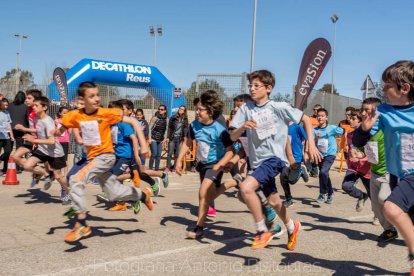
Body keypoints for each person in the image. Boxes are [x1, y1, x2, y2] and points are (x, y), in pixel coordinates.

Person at [230, 70, 321, 250]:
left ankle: (263, 230)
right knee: (274, 201)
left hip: (273, 159)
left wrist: (311, 143)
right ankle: (291, 226)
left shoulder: (278, 107)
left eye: (257, 86)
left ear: (268, 88)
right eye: (250, 86)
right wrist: (242, 127)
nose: (252, 89)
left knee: (245, 188)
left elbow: (306, 119)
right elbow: (232, 136)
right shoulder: (246, 108)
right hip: (255, 162)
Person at [55, 81, 153, 242]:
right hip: (93, 160)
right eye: (92, 96)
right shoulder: (75, 115)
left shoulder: (106, 112)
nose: (97, 99)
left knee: (75, 179)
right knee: (113, 193)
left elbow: (134, 122)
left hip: (106, 157)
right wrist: (56, 132)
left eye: (98, 95)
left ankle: (81, 224)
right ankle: (142, 195)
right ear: (82, 100)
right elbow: (63, 126)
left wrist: (143, 146)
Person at [352, 61, 414, 274]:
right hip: (398, 175)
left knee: (390, 208)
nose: (382, 90)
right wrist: (363, 130)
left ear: (404, 88)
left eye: (387, 86)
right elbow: (359, 142)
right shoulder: (383, 112)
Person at [175, 90, 234, 239]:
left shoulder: (220, 130)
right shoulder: (194, 126)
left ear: (210, 112)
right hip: (203, 164)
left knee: (202, 193)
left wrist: (220, 164)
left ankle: (199, 228)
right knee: (208, 195)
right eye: (196, 109)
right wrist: (178, 161)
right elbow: (187, 143)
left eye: (200, 109)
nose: (197, 112)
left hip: (215, 165)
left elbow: (230, 151)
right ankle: (232, 183)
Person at [20, 96, 71, 204]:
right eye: (33, 105)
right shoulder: (36, 118)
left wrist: (34, 140)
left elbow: (52, 141)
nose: (33, 107)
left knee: (59, 177)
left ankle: (69, 192)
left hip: (55, 153)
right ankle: (46, 174)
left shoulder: (48, 121)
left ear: (44, 107)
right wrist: (26, 131)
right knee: (27, 166)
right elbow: (38, 130)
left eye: (36, 105)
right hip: (43, 150)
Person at [360, 97, 397, 241]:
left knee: (384, 198)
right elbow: (362, 147)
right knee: (375, 206)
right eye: (362, 110)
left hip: (389, 172)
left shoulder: (385, 127)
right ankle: (389, 230)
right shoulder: (363, 129)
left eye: (367, 110)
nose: (363, 113)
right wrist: (358, 153)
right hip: (374, 172)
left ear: (376, 112)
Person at [341, 109, 371, 211]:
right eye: (350, 118)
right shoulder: (350, 135)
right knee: (346, 186)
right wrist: (350, 161)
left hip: (367, 169)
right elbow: (351, 150)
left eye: (353, 119)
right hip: (354, 167)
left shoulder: (369, 136)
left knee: (373, 195)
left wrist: (361, 158)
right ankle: (361, 196)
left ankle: (377, 215)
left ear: (360, 121)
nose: (350, 120)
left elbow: (371, 153)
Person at [314, 108, 345, 204]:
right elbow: (311, 142)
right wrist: (316, 137)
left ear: (326, 118)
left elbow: (343, 131)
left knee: (323, 172)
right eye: (318, 116)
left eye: (322, 116)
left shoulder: (332, 128)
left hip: (330, 154)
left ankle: (322, 193)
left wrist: (345, 143)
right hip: (319, 155)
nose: (320, 117)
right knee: (325, 174)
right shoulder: (314, 130)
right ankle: (330, 193)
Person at [13, 89, 43, 181]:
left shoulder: (38, 113)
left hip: (41, 141)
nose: (26, 100)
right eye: (26, 98)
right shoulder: (28, 109)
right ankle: (39, 172)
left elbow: (39, 130)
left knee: (54, 171)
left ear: (36, 100)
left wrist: (24, 129)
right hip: (31, 139)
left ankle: (46, 173)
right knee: (16, 156)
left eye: (29, 98)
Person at [281, 123, 310, 208]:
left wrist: (306, 152)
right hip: (284, 157)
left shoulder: (297, 127)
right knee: (283, 177)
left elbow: (307, 139)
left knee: (292, 181)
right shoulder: (281, 126)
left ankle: (301, 170)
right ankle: (289, 199)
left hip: (296, 157)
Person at [8, 91, 28, 173]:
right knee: (19, 149)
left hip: (10, 129)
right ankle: (17, 167)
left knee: (8, 149)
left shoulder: (9, 106)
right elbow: (26, 119)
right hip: (21, 129)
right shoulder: (25, 107)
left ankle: (6, 166)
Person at [165, 105, 188, 172]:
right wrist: (168, 137)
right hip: (172, 137)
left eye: (182, 109)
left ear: (184, 111)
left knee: (177, 154)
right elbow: (169, 127)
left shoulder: (185, 119)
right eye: (180, 108)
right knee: (170, 153)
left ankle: (175, 167)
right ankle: (168, 167)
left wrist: (185, 137)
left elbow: (186, 128)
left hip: (179, 138)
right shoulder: (173, 117)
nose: (180, 110)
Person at [149, 105, 168, 171]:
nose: (160, 110)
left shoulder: (166, 119)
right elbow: (149, 128)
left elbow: (166, 130)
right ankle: (150, 168)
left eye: (162, 109)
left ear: (165, 111)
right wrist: (149, 138)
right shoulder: (155, 118)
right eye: (159, 109)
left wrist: (165, 139)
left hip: (160, 139)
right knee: (154, 154)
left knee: (159, 155)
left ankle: (156, 169)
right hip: (153, 138)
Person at [0, 98, 15, 176]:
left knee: (8, 152)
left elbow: (9, 125)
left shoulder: (7, 113)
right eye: (5, 105)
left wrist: (11, 135)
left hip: (6, 137)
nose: (6, 106)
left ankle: (5, 169)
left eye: (7, 105)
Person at [55, 106, 70, 177]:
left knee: (65, 159)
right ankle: (59, 173)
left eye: (67, 113)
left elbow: (70, 132)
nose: (66, 114)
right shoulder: (56, 121)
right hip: (57, 141)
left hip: (65, 141)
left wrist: (67, 124)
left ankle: (66, 174)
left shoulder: (68, 121)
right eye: (64, 113)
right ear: (60, 113)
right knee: (58, 158)